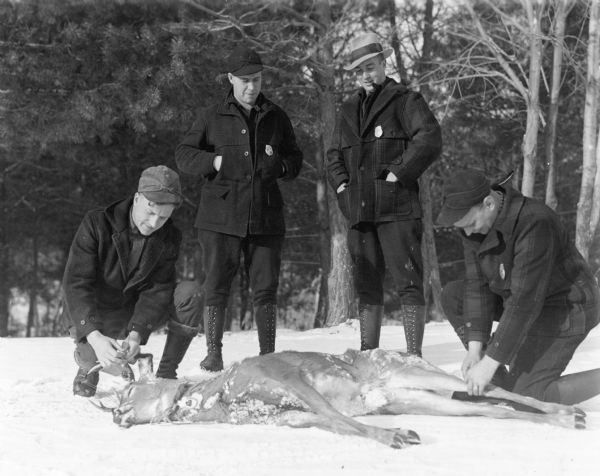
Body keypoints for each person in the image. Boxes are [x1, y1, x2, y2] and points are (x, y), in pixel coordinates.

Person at [175, 45, 303, 372]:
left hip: (266, 218)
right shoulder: (211, 116)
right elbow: (184, 154)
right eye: (244, 80)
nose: (251, 87)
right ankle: (213, 353)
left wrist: (281, 167)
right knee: (216, 286)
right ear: (231, 78)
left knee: (265, 289)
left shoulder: (276, 115)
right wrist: (214, 160)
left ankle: (268, 357)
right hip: (220, 219)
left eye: (257, 79)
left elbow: (295, 160)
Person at [437, 169, 600, 404]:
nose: (468, 232)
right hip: (522, 301)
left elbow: (524, 301)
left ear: (488, 204)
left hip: (568, 307)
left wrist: (490, 362)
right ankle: (499, 379)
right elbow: (477, 287)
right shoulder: (473, 227)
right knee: (453, 296)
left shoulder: (535, 222)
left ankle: (505, 379)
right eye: (462, 227)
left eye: (471, 223)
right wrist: (476, 351)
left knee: (528, 397)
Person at [327, 32, 442, 356]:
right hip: (360, 211)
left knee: (408, 282)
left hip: (397, 209)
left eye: (371, 66)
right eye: (359, 69)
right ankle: (367, 353)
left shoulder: (405, 100)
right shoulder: (348, 109)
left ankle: (414, 355)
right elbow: (333, 155)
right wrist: (341, 188)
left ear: (383, 63)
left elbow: (430, 138)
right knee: (366, 285)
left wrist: (397, 173)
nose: (366, 74)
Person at [63, 165, 203, 397]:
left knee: (190, 293)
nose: (155, 222)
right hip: (95, 311)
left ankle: (165, 375)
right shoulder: (96, 223)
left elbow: (158, 289)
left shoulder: (170, 236)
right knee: (92, 357)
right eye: (150, 212)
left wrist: (137, 334)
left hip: (134, 312)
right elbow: (77, 283)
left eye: (164, 217)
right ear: (138, 198)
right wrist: (95, 337)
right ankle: (88, 368)